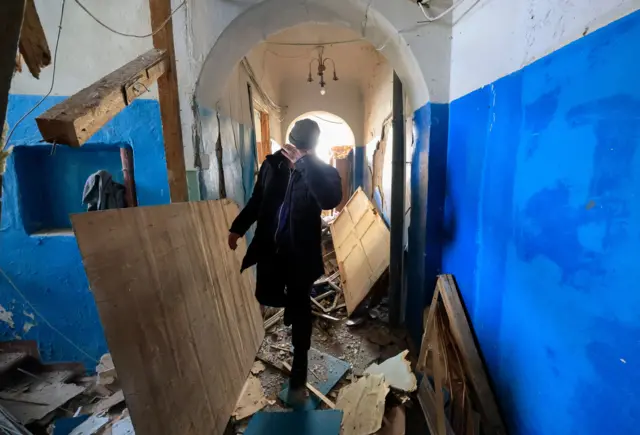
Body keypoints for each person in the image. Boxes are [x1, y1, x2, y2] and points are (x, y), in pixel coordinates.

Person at [228, 118, 342, 403]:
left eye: (304, 145)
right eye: (297, 143)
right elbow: (257, 200)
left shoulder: (322, 171)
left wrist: (304, 164)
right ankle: (290, 311)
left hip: (300, 255)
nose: (299, 148)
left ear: (312, 146)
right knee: (271, 296)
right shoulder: (272, 166)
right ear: (289, 139)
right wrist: (237, 227)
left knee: (301, 309)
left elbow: (330, 199)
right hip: (272, 251)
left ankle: (299, 373)